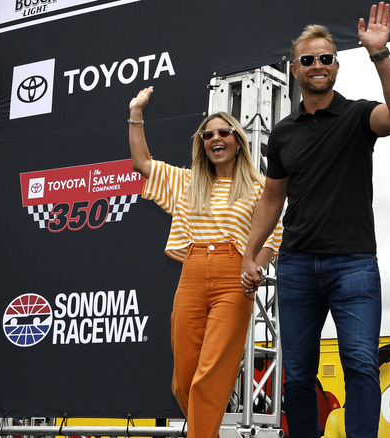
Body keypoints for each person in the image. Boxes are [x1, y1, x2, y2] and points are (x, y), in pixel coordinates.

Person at [241, 3, 390, 437]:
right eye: (308, 60)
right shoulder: (282, 133)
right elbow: (271, 197)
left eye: (325, 58)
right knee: (297, 374)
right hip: (296, 265)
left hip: (353, 264)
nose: (317, 65)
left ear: (336, 65)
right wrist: (250, 254)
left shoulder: (358, 114)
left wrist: (380, 54)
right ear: (295, 70)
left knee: (359, 363)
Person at [128, 86, 282, 438]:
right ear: (202, 144)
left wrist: (254, 265)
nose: (216, 138)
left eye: (224, 132)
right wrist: (136, 112)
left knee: (210, 375)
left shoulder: (259, 187)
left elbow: (273, 236)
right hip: (192, 272)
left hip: (234, 274)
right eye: (208, 134)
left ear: (237, 141)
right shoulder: (187, 181)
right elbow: (141, 163)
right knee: (184, 378)